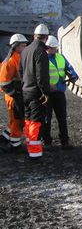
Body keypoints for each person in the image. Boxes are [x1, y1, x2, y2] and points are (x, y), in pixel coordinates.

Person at [19, 24, 50, 159]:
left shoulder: (25, 50)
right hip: (36, 92)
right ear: (47, 37)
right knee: (36, 122)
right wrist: (45, 92)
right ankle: (35, 153)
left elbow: (20, 71)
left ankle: (30, 147)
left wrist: (24, 84)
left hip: (26, 90)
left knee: (28, 120)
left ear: (34, 36)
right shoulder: (40, 51)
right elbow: (41, 75)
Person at [41, 36, 78, 149]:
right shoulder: (42, 59)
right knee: (46, 118)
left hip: (59, 92)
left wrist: (72, 75)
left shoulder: (60, 57)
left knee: (62, 118)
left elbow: (69, 68)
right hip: (47, 93)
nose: (54, 50)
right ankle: (46, 141)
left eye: (55, 48)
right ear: (47, 47)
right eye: (51, 48)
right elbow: (39, 76)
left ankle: (65, 142)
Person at [0, 34, 28, 152]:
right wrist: (15, 94)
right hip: (13, 96)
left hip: (16, 94)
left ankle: (5, 138)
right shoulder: (10, 61)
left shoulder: (18, 57)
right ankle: (15, 145)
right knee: (18, 120)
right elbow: (4, 83)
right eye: (23, 45)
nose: (25, 46)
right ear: (16, 46)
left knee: (16, 119)